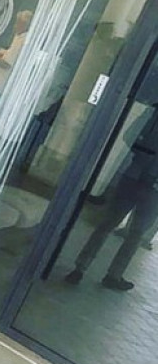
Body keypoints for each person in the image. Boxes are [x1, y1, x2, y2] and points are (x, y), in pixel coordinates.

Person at [65, 104, 158, 291]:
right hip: (154, 187)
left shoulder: (155, 112)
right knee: (136, 234)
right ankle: (113, 275)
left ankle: (80, 268)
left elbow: (130, 135)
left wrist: (143, 156)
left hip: (133, 174)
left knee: (107, 223)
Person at [0, 9, 33, 111]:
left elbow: (6, 64)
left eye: (18, 23)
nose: (15, 25)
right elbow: (13, 54)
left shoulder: (22, 40)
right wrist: (3, 52)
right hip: (2, 87)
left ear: (24, 25)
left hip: (0, 87)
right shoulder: (20, 37)